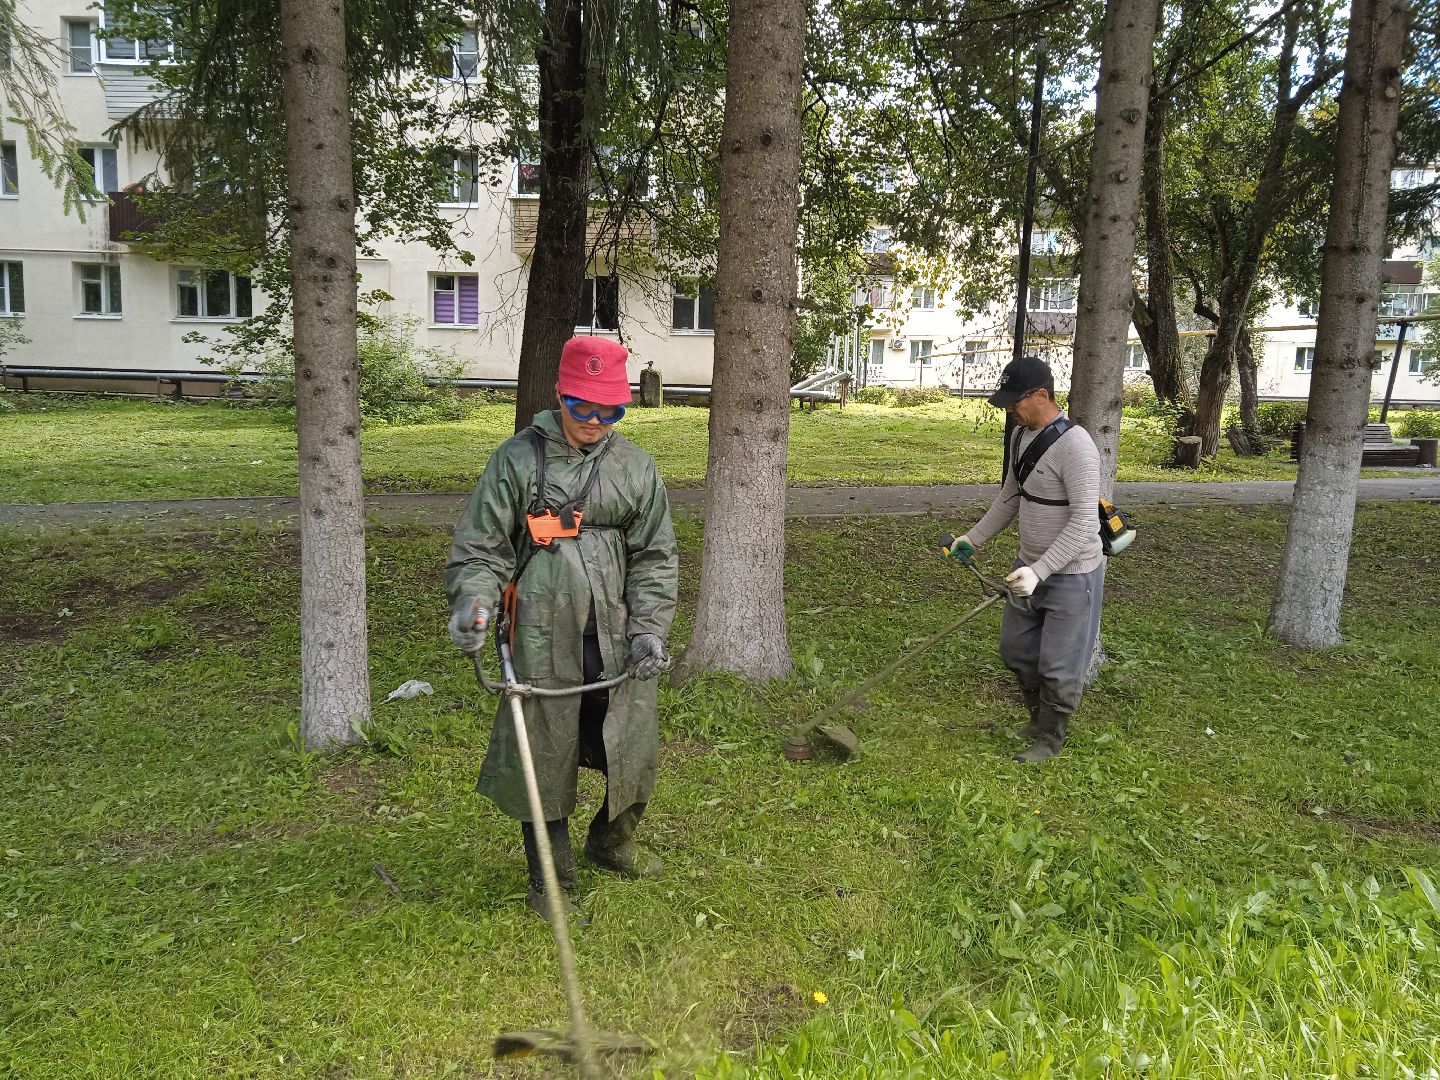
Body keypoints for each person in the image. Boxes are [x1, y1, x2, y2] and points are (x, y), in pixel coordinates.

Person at [445, 336, 679, 916]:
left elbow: (655, 554)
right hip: (542, 634)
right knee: (544, 750)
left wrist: (650, 627)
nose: (596, 421)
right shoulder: (517, 460)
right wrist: (475, 604)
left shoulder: (634, 467)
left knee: (633, 741)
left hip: (616, 631)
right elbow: (482, 549)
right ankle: (552, 879)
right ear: (561, 395)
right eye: (583, 407)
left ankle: (612, 839)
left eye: (610, 409)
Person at [949, 356, 1104, 763]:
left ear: (1041, 395)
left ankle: (1050, 738)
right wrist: (973, 539)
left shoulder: (1077, 447)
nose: (1010, 410)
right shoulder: (1021, 436)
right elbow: (1010, 497)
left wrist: (1041, 571)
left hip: (1071, 575)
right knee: (1015, 650)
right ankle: (1037, 719)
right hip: (1029, 567)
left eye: (1015, 402)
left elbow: (1086, 522)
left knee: (1059, 664)